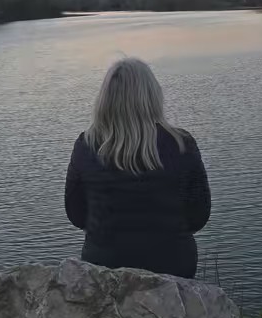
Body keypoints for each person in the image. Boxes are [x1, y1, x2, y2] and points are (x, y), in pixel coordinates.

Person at [64, 57, 211, 278]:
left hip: (104, 271)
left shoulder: (86, 146)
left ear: (105, 99)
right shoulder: (182, 144)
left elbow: (76, 215)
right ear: (153, 96)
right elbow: (198, 216)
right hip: (173, 270)